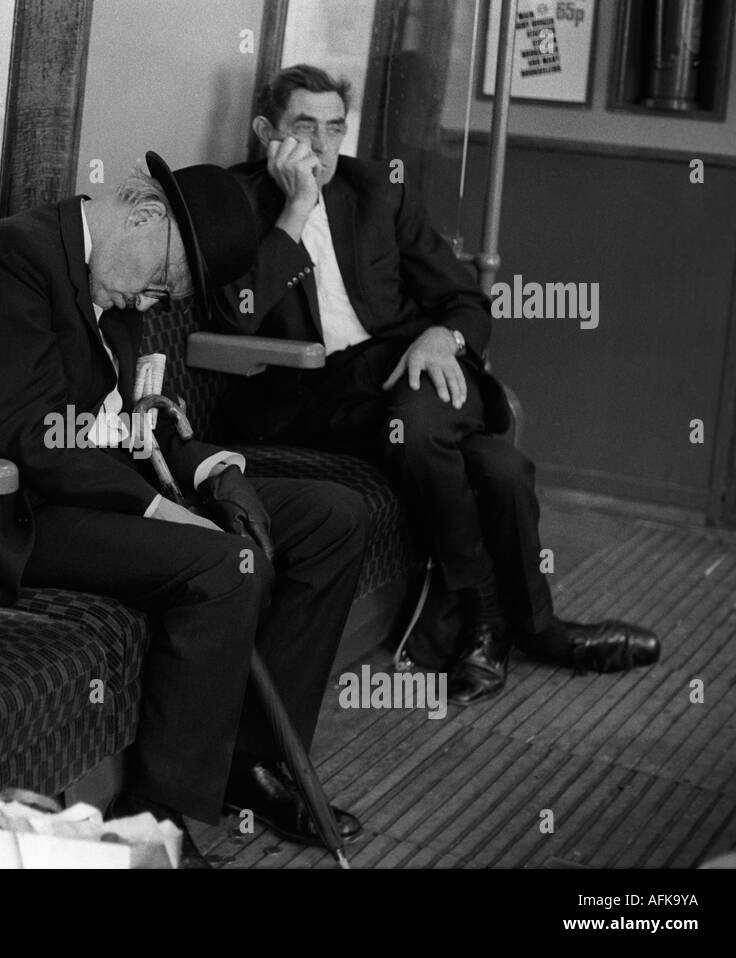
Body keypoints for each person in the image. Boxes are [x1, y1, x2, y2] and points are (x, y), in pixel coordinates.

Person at [0, 152, 369, 866]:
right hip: (11, 512)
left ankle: (254, 762)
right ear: (146, 214)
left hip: (93, 489)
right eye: (160, 284)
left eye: (164, 297)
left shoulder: (115, 284)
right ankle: (154, 817)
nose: (152, 305)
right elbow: (35, 440)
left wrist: (213, 470)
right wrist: (164, 510)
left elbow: (129, 424)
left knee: (335, 516)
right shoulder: (8, 260)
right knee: (224, 565)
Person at [213, 65, 659, 705]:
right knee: (487, 459)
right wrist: (297, 207)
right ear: (265, 132)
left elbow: (465, 300)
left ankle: (505, 623)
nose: (320, 145)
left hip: (406, 377)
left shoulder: (378, 193)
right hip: (312, 398)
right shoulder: (235, 202)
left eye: (334, 128)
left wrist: (440, 337)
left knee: (472, 452)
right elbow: (239, 311)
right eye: (302, 128)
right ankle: (519, 625)